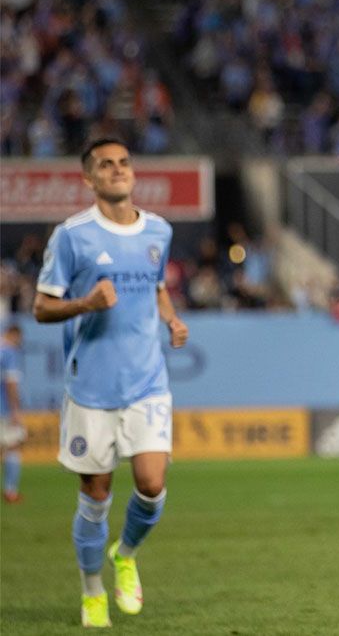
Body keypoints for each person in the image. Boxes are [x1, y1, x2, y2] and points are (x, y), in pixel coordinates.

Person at [33, 138, 189, 628]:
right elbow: (41, 307)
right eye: (106, 165)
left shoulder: (159, 230)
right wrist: (86, 303)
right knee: (96, 496)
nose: (118, 170)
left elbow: (157, 285)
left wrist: (171, 318)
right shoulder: (71, 236)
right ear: (89, 179)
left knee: (152, 485)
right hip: (91, 388)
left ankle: (126, 554)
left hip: (147, 380)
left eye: (124, 162)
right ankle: (92, 591)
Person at [1, 322, 25, 503]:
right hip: (4, 408)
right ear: (14, 334)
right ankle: (10, 491)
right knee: (14, 445)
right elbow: (11, 383)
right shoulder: (9, 352)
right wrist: (15, 410)